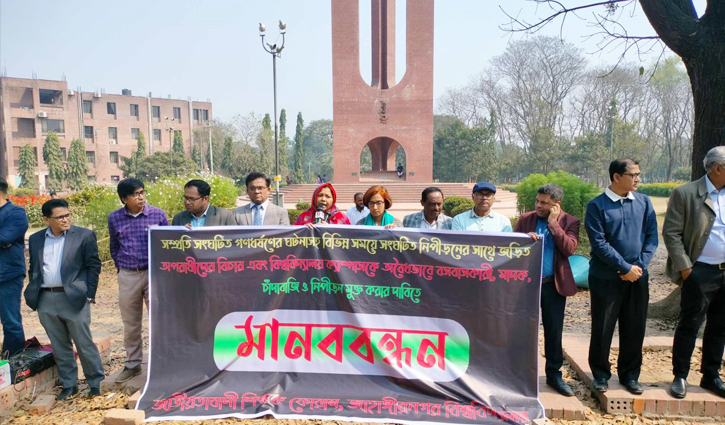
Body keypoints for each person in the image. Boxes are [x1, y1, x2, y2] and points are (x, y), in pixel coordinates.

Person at [585, 158, 658, 395]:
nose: (638, 179)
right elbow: (599, 243)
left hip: (638, 277)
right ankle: (600, 374)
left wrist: (638, 267)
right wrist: (624, 267)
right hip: (605, 277)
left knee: (635, 327)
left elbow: (651, 239)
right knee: (603, 327)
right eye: (633, 175)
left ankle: (630, 375)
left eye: (639, 174)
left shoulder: (644, 203)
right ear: (617, 177)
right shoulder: (597, 206)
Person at [25, 199, 104, 399]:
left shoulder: (83, 236)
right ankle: (69, 385)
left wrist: (89, 293)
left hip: (74, 298)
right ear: (46, 219)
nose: (65, 219)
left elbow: (94, 265)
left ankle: (95, 383)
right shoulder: (35, 239)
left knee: (84, 342)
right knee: (59, 344)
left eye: (67, 215)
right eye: (60, 217)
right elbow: (34, 268)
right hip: (45, 298)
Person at [664, 146, 725, 399]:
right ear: (718, 168)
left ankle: (711, 375)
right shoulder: (686, 193)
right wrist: (687, 269)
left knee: (720, 326)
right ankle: (680, 376)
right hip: (699, 272)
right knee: (690, 325)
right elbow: (671, 233)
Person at [515, 184, 579, 397]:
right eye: (537, 201)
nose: (538, 205)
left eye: (544, 203)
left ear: (556, 205)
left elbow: (569, 248)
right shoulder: (526, 220)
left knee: (553, 331)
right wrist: (524, 240)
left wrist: (553, 225)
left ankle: (554, 375)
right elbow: (512, 248)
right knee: (524, 329)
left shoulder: (570, 222)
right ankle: (520, 374)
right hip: (527, 285)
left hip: (553, 285)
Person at [108, 178, 169, 383]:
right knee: (131, 323)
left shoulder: (158, 215)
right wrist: (122, 269)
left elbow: (168, 244)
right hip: (128, 275)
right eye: (135, 194)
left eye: (142, 192)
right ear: (124, 199)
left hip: (154, 275)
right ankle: (133, 364)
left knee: (160, 320)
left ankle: (162, 363)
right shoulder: (115, 218)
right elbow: (114, 247)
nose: (141, 197)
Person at [0, 177, 28, 358]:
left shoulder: (16, 213)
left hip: (6, 275)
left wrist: (4, 242)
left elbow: (4, 238)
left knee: (10, 321)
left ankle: (14, 363)